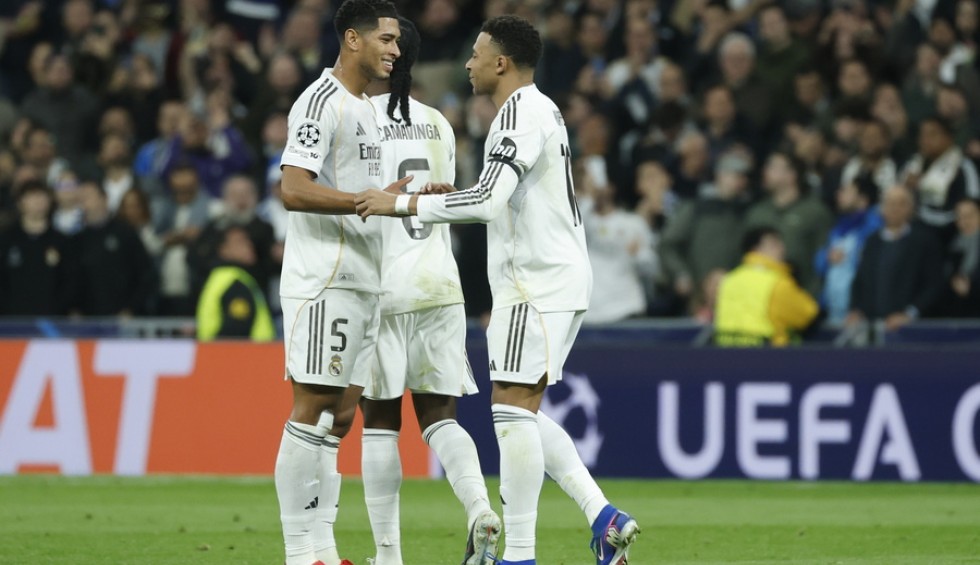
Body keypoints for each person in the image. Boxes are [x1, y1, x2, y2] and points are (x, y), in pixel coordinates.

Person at [355, 15, 640, 565]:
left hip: (534, 282)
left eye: (477, 54)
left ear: (501, 62)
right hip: (556, 276)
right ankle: (602, 516)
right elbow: (499, 195)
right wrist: (448, 196)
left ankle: (521, 556)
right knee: (520, 413)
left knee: (510, 415)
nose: (468, 63)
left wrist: (402, 203)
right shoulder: (542, 107)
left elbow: (486, 202)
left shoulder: (515, 115)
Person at [359, 17, 500, 565]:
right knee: (441, 418)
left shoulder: (357, 118)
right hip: (440, 281)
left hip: (383, 286)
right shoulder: (439, 122)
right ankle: (479, 508)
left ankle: (388, 556)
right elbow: (444, 195)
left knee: (380, 423)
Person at [273, 2, 405, 565]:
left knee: (342, 415)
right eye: (386, 39)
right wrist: (361, 201)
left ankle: (324, 547)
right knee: (313, 406)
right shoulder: (319, 101)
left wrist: (396, 198)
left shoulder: (369, 109)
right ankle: (300, 553)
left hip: (365, 278)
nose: (395, 50)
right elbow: (293, 187)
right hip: (326, 277)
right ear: (353, 39)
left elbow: (363, 192)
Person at [846, 184, 945, 332]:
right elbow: (860, 280)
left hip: (911, 330)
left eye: (901, 203)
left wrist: (909, 314)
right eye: (890, 203)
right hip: (872, 326)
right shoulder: (872, 241)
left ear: (911, 208)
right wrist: (856, 309)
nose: (895, 208)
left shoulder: (924, 241)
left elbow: (934, 284)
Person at [714, 227, 819, 347]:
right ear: (755, 250)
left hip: (725, 352)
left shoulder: (730, 279)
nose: (782, 249)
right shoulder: (776, 283)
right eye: (774, 244)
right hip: (765, 353)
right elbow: (807, 313)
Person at [0, 180, 74, 316]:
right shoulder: (6, 240)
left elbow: (69, 282)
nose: (38, 201)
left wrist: (59, 310)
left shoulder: (62, 242)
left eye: (42, 196)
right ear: (20, 203)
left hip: (52, 320)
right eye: (32, 197)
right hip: (13, 321)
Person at [196, 225, 275, 341]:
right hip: (249, 352)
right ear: (223, 249)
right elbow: (235, 332)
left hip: (212, 350)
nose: (249, 245)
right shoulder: (234, 282)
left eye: (248, 240)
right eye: (240, 241)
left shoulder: (218, 277)